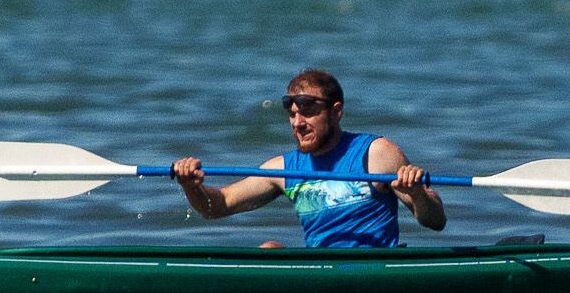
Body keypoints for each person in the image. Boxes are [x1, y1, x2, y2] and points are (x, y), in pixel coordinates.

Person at [170, 68, 445, 246]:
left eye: (308, 111)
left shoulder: (377, 153)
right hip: (321, 273)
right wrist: (191, 186)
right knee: (269, 250)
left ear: (336, 112)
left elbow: (435, 221)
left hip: (372, 269)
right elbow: (217, 206)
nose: (297, 123)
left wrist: (418, 194)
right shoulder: (284, 169)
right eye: (292, 113)